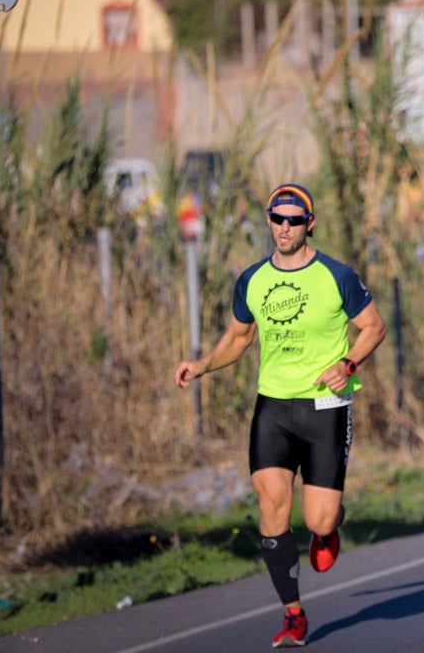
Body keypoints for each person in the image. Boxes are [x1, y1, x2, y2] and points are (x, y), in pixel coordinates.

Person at [173, 184, 387, 648]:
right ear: (268, 220)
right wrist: (201, 364)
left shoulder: (337, 275)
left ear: (310, 223)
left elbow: (374, 327)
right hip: (273, 406)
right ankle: (293, 613)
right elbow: (237, 337)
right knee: (270, 504)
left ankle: (329, 526)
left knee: (319, 522)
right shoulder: (251, 279)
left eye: (294, 219)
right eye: (277, 218)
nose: (284, 227)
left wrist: (348, 364)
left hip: (325, 406)